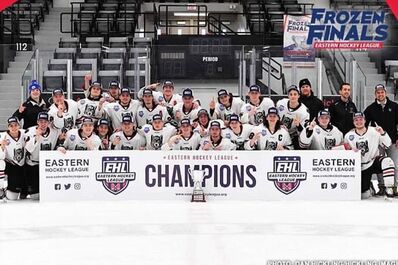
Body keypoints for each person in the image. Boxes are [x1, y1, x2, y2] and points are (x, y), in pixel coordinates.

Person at [344, 112, 397, 198]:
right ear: (353, 122)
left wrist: (383, 133)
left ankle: (389, 188)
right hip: (359, 167)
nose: (359, 122)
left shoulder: (374, 131)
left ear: (365, 120)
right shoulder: (348, 135)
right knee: (364, 195)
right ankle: (369, 187)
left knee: (388, 161)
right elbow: (345, 152)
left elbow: (388, 144)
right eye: (356, 120)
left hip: (373, 161)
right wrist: (349, 150)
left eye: (361, 119)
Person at [363, 84, 398, 196]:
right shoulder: (370, 108)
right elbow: (364, 125)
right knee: (380, 165)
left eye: (382, 92)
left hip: (392, 141)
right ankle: (382, 186)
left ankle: (394, 186)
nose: (380, 94)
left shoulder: (395, 106)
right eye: (378, 92)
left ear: (385, 93)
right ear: (375, 94)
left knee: (394, 164)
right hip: (377, 143)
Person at [24, 112, 61, 199]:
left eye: (45, 122)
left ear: (48, 122)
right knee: (35, 196)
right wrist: (36, 137)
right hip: (33, 165)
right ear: (37, 122)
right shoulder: (30, 131)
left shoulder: (54, 131)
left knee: (50, 193)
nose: (43, 124)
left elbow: (61, 137)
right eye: (41, 121)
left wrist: (60, 146)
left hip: (48, 165)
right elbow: (28, 148)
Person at [276, 85, 309, 149]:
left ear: (299, 96)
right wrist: (279, 124)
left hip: (294, 135)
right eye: (291, 94)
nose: (293, 96)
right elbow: (273, 116)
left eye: (295, 94)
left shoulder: (303, 111)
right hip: (279, 131)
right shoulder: (281, 103)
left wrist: (298, 125)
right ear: (288, 96)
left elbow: (304, 133)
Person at [0, 117, 26, 200]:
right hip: (10, 165)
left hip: (24, 165)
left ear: (19, 125)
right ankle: (1, 188)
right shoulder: (2, 136)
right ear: (8, 127)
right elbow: (1, 156)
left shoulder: (25, 133)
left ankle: (24, 189)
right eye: (11, 126)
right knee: (12, 197)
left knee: (32, 195)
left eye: (15, 125)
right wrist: (2, 147)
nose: (14, 128)